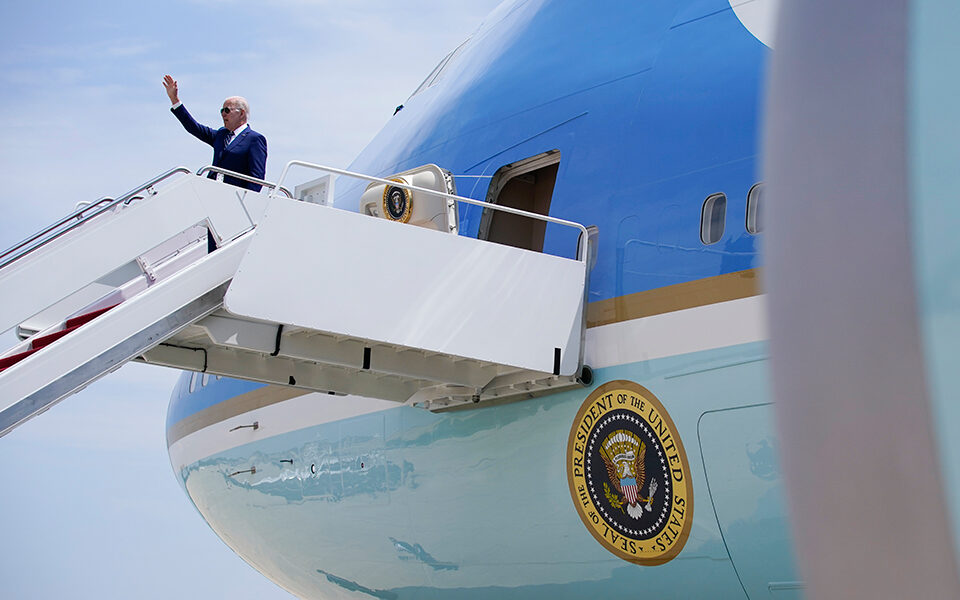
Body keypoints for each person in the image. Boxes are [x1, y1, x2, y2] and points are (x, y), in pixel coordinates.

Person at [162, 74, 267, 192]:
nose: (223, 114)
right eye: (222, 110)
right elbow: (194, 127)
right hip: (211, 192)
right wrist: (174, 99)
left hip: (235, 197)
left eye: (227, 110)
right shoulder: (221, 135)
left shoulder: (255, 139)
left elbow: (257, 177)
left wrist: (248, 202)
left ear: (241, 113)